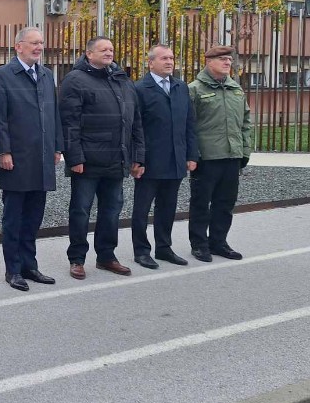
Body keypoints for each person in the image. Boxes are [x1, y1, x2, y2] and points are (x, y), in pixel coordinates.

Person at [59, 36, 145, 280]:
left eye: (111, 49)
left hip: (117, 160)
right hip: (87, 162)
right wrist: (74, 157)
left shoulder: (122, 80)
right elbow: (69, 123)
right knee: (81, 211)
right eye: (103, 49)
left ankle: (106, 256)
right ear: (88, 53)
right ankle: (77, 258)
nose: (109, 52)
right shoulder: (75, 80)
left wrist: (138, 157)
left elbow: (135, 122)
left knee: (111, 211)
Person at [0, 27, 63, 292]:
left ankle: (30, 265)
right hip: (17, 159)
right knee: (14, 218)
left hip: (42, 159)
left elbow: (54, 114)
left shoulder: (46, 75)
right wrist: (3, 152)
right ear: (18, 46)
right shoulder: (3, 75)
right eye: (33, 43)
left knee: (33, 217)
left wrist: (57, 146)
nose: (39, 47)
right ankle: (14, 269)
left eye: (41, 43)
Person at [131, 44, 198, 269]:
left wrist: (191, 154)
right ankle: (141, 250)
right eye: (164, 58)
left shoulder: (181, 87)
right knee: (142, 209)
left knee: (167, 207)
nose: (169, 62)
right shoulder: (140, 89)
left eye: (171, 58)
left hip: (176, 159)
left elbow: (189, 123)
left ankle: (164, 247)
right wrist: (137, 159)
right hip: (149, 162)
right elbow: (134, 127)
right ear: (150, 63)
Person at [187, 45, 252, 262]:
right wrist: (193, 155)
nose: (227, 63)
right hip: (207, 158)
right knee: (201, 203)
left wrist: (244, 151)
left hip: (232, 156)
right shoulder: (195, 89)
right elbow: (188, 126)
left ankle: (219, 242)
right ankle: (199, 244)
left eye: (229, 60)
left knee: (225, 204)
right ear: (209, 61)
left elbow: (245, 123)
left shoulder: (236, 89)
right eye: (222, 59)